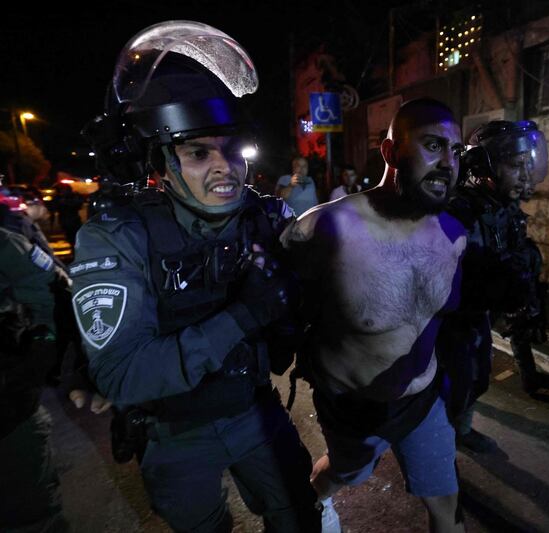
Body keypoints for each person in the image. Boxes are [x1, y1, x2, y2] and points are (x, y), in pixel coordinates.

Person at [76, 21, 321, 532]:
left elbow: (332, 247)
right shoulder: (119, 237)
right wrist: (244, 315)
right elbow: (123, 374)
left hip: (256, 409)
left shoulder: (263, 215)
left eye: (232, 149)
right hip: (173, 431)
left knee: (300, 513)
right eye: (197, 152)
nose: (224, 167)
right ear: (162, 164)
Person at [283, 98, 467, 533]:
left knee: (446, 503)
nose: (448, 162)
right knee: (342, 475)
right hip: (353, 408)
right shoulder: (326, 229)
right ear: (390, 153)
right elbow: (276, 309)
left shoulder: (454, 236)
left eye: (456, 151)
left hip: (422, 402)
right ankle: (318, 500)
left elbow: (445, 319)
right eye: (433, 145)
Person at [441, 120, 549, 453]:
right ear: (485, 166)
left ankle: (461, 430)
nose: (525, 174)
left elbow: (515, 260)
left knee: (477, 379)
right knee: (456, 384)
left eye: (528, 164)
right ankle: (439, 449)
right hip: (453, 326)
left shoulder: (503, 208)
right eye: (515, 164)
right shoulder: (457, 213)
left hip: (480, 318)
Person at [0, 226, 70, 532]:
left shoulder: (6, 243)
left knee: (33, 520)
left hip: (9, 413)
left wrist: (39, 357)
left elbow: (54, 292)